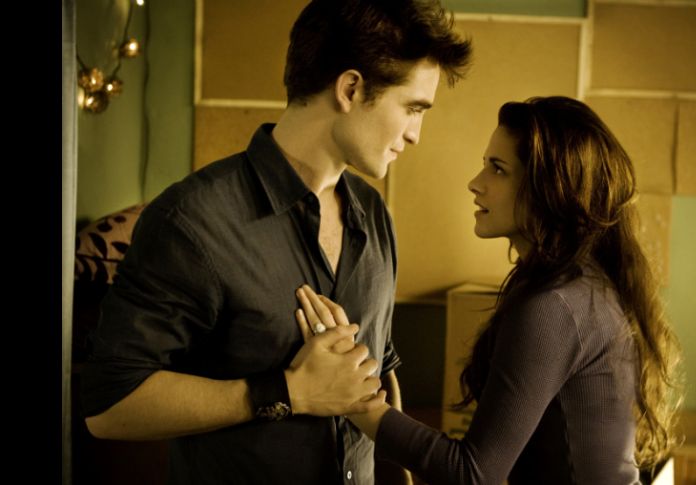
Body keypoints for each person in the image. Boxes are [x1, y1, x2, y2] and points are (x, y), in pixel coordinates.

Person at [81, 1, 472, 484]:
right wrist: (290, 392)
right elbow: (109, 407)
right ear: (350, 89)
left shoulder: (374, 214)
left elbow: (380, 363)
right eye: (413, 108)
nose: (415, 135)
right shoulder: (191, 220)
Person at [294, 96, 683, 484]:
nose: (475, 183)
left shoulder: (556, 305)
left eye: (498, 169)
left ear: (550, 188)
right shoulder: (579, 286)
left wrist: (354, 401)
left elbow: (474, 474)